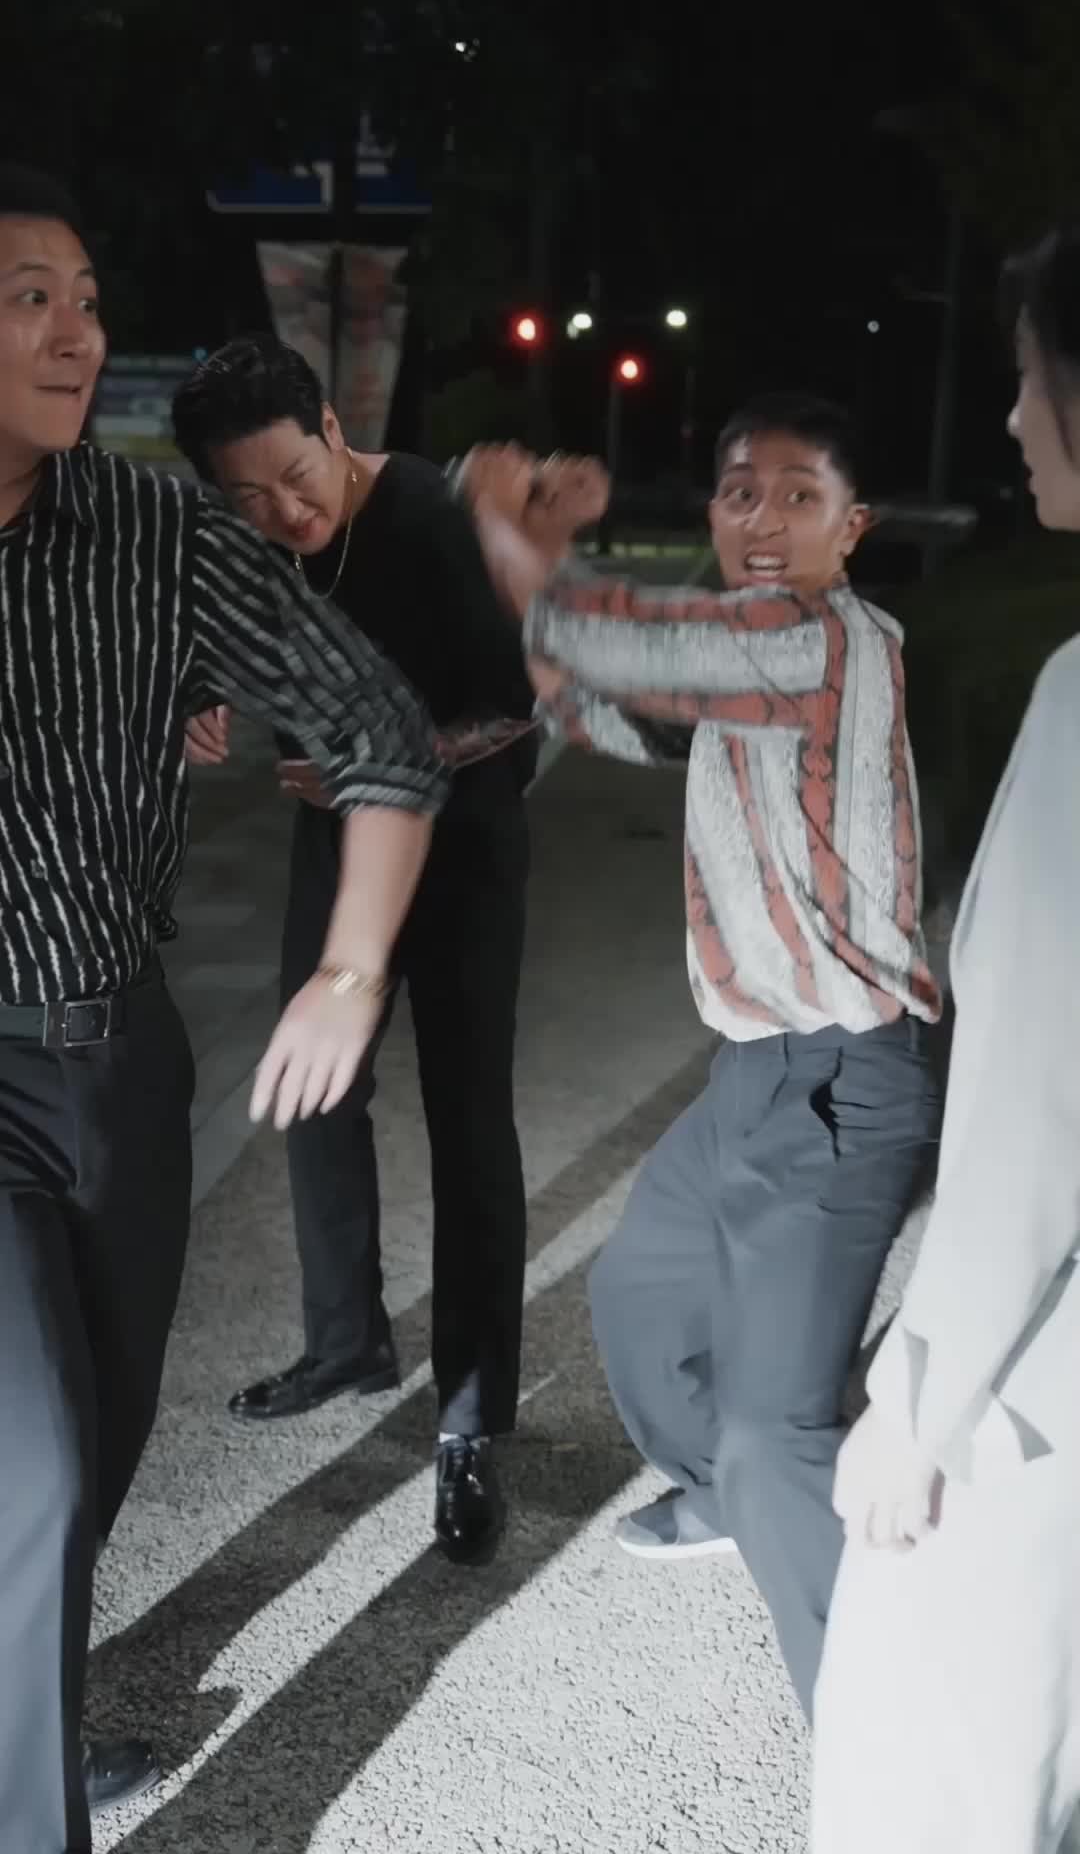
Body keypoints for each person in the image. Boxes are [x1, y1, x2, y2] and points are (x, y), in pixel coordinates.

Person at [0, 166, 447, 1854]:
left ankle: (21, 1733)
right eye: (29, 297)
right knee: (34, 1467)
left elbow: (379, 728)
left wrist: (350, 970)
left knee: (90, 1459)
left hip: (118, 1059)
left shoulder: (153, 539)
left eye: (85, 297)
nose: (75, 330)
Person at [458, 398, 943, 1720]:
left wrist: (513, 533)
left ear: (852, 526)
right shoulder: (751, 662)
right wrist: (544, 610)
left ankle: (879, 1749)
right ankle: (730, 1497)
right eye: (739, 493)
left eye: (799, 496)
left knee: (778, 1434)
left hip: (840, 1082)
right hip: (753, 1075)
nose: (763, 518)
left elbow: (624, 639)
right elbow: (616, 703)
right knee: (643, 1298)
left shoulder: (819, 638)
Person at [172, 336, 538, 1565]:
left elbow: (513, 713)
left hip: (467, 847)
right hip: (331, 840)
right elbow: (215, 622)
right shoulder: (245, 537)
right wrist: (194, 687)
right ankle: (345, 1343)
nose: (286, 513)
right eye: (250, 497)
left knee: (468, 1117)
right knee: (312, 1094)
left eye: (297, 476)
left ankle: (472, 1417)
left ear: (333, 429)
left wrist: (382, 771)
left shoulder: (423, 512)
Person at [811, 228, 1080, 1853]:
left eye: (1032, 380)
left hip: (1044, 1393)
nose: (1011, 418)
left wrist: (917, 1405)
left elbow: (1038, 1126)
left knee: (942, 1779)